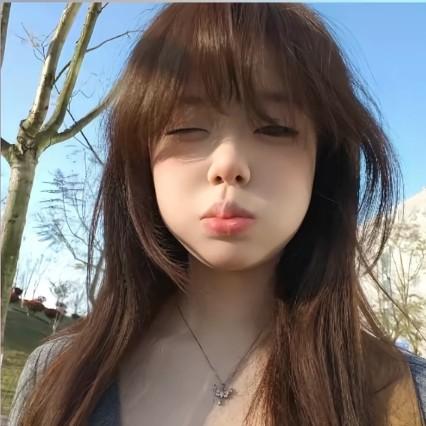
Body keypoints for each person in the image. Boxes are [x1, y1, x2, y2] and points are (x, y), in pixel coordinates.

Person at [9, 3, 426, 426]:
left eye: (275, 127)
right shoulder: (57, 379)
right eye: (186, 127)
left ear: (324, 159)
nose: (228, 164)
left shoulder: (405, 397)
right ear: (141, 156)